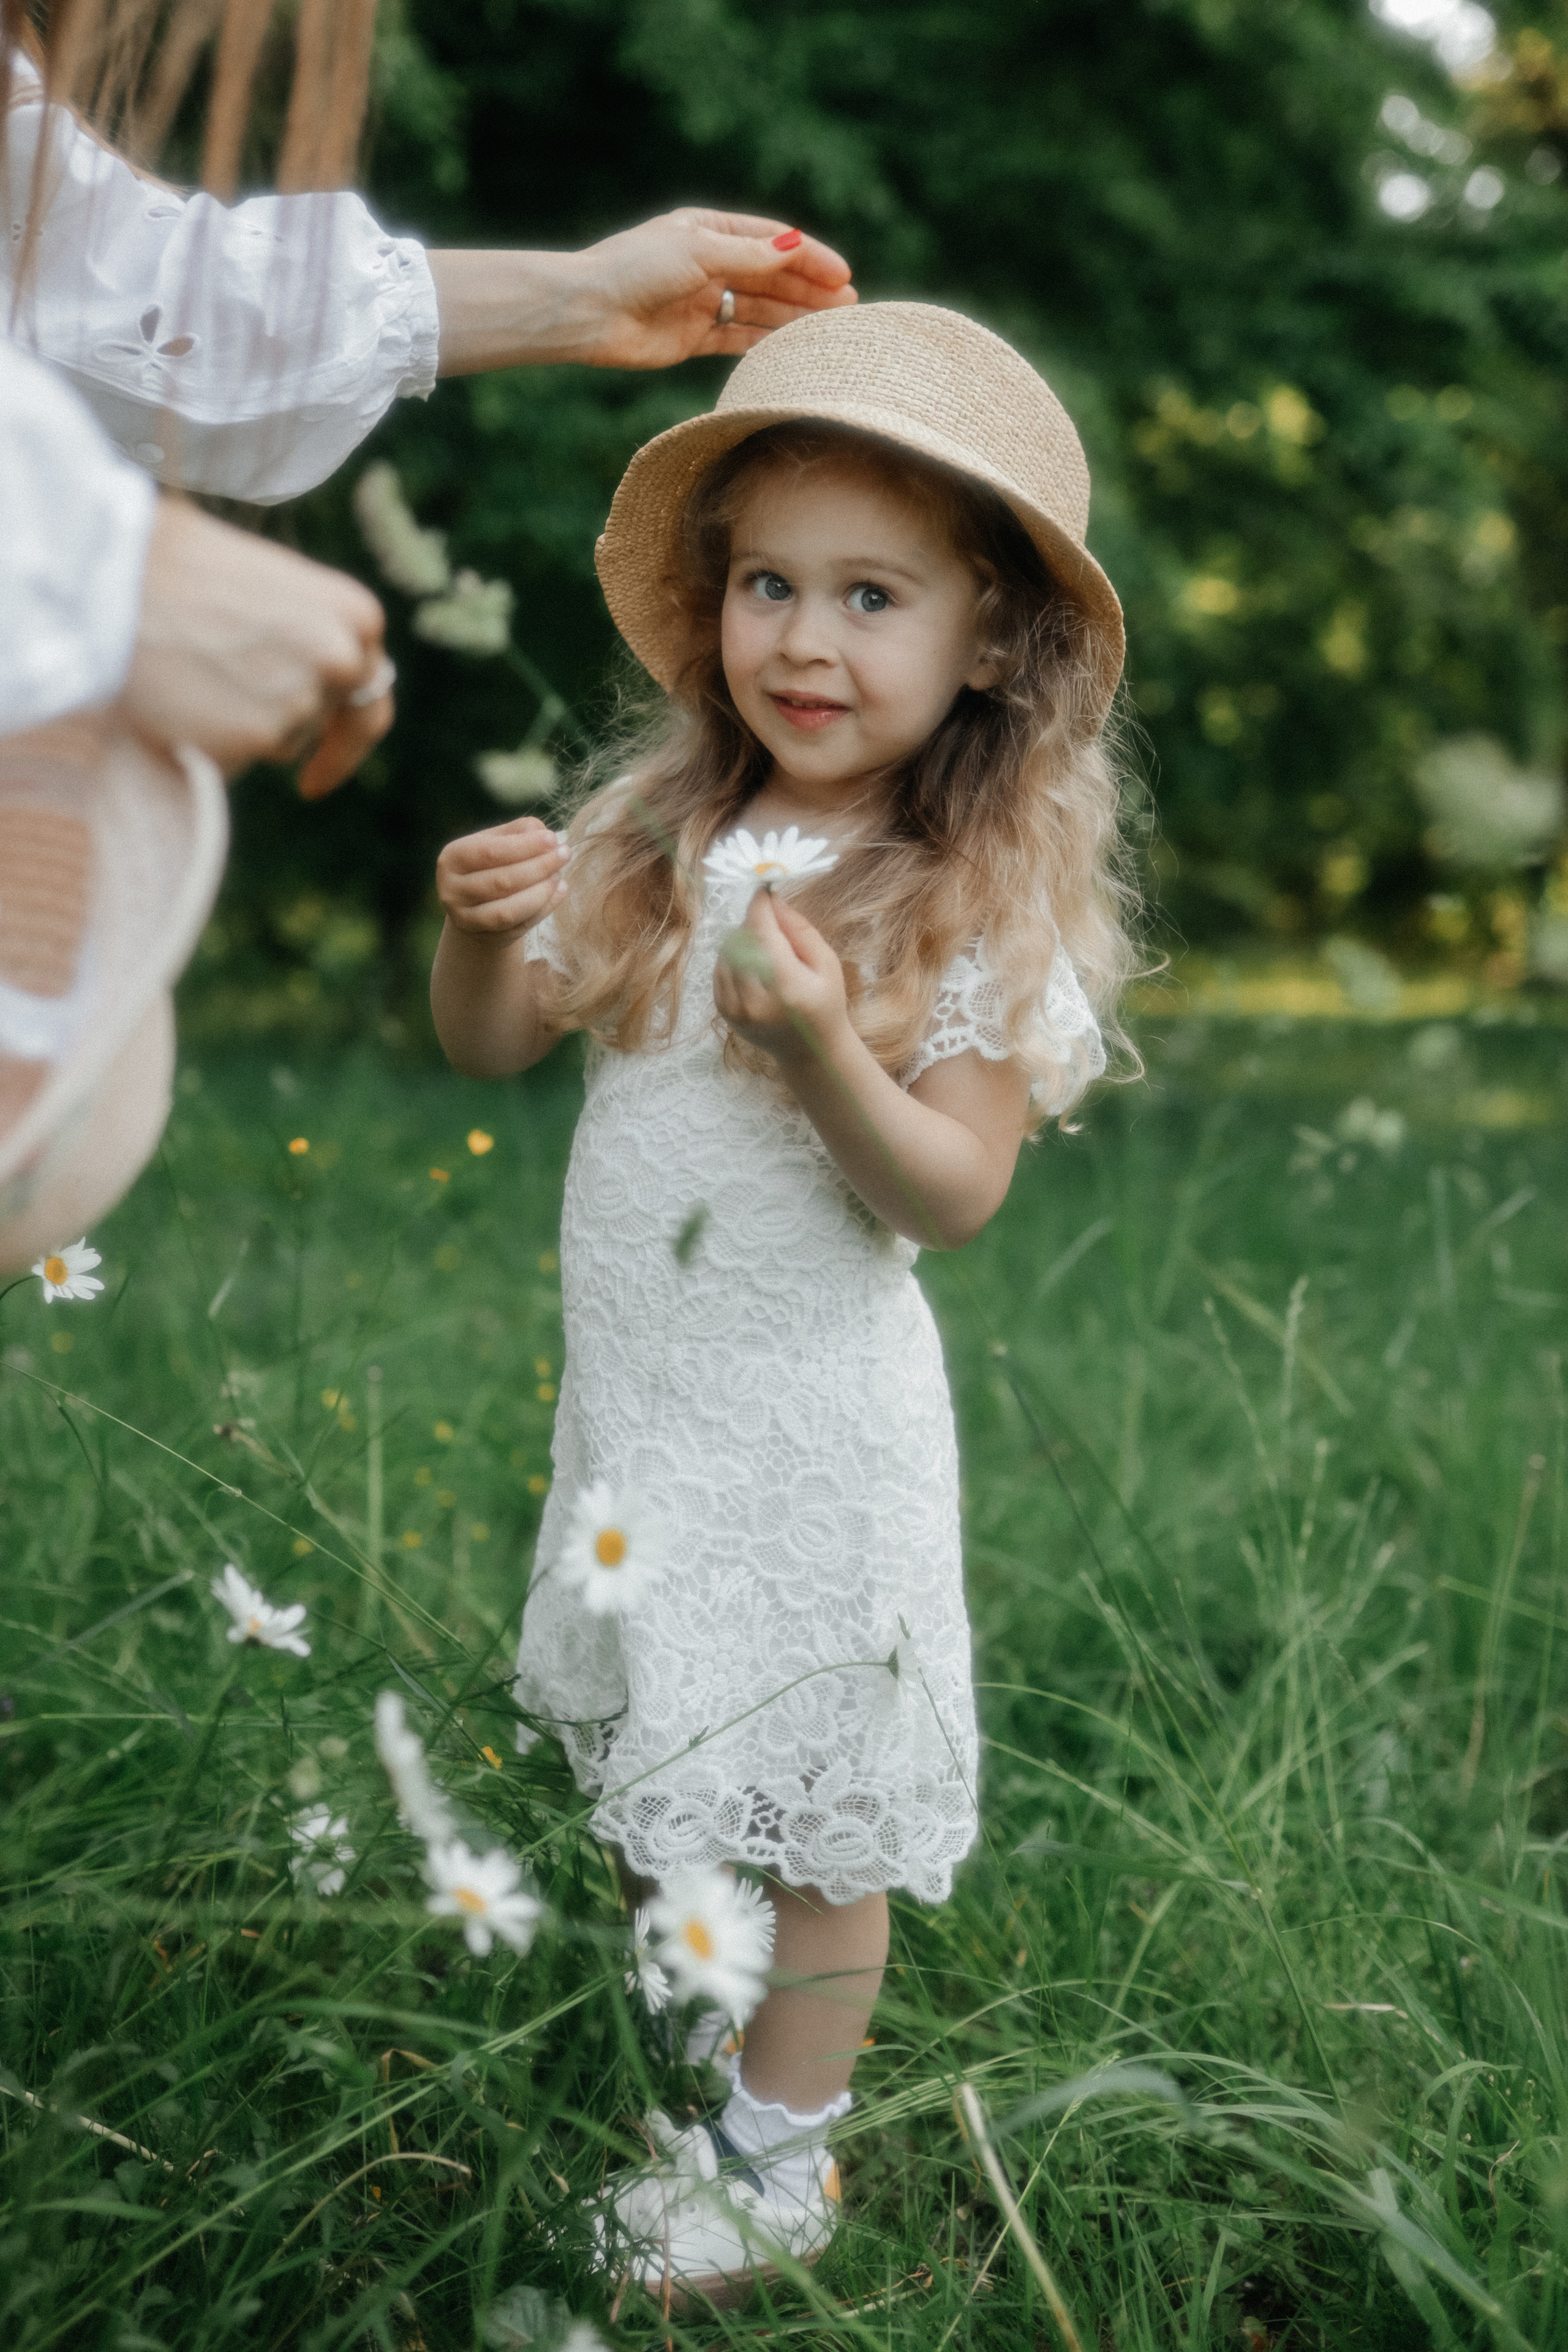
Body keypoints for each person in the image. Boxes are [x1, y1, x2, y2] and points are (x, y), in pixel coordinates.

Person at [428, 300, 1133, 2304]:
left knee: (819, 1811)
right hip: (650, 1421)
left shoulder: (969, 896)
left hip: (819, 1432)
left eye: (870, 596)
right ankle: (699, 2100)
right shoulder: (663, 838)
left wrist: (832, 1060)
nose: (803, 641)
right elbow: (493, 1045)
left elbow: (959, 1191)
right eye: (767, 586)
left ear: (988, 638)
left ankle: (782, 2158)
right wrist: (483, 937)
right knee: (676, 1765)